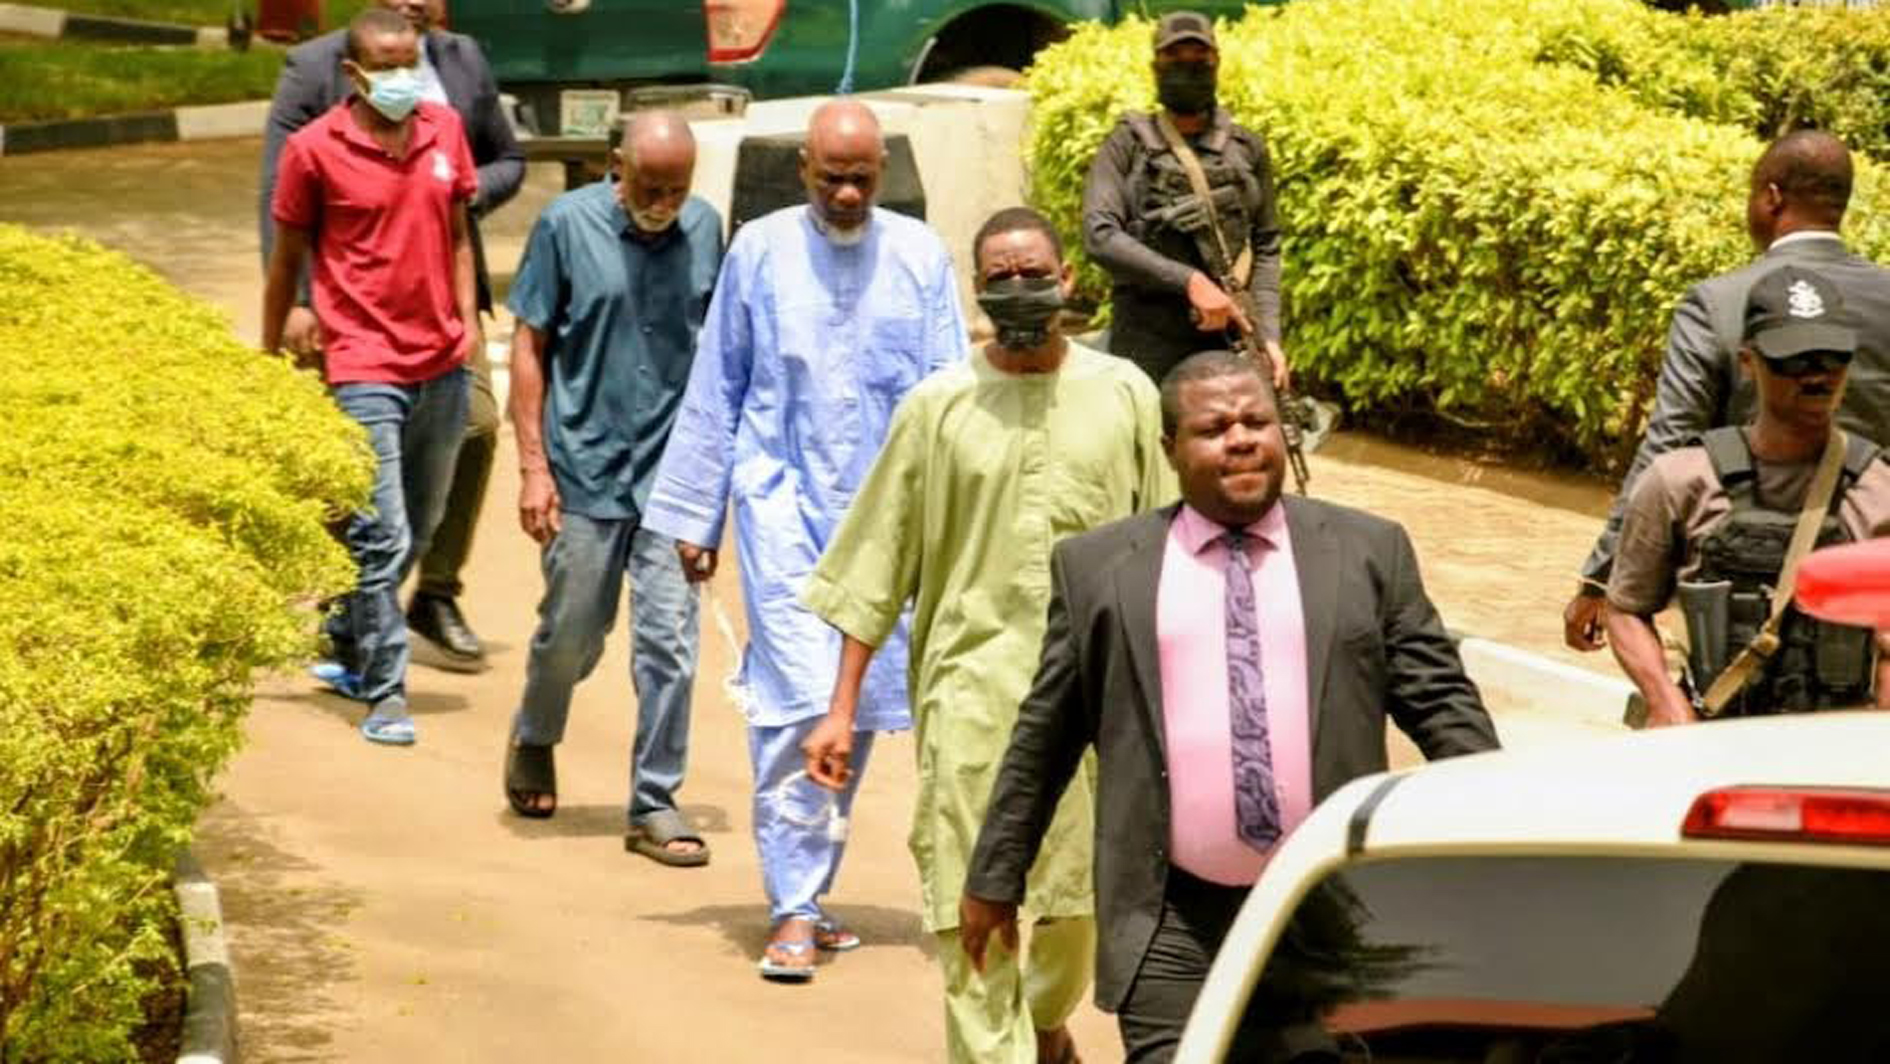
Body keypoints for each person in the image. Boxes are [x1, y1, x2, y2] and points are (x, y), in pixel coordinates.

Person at [960, 351, 1499, 1063]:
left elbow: (1443, 708)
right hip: (1170, 920)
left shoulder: (1368, 553)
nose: (1240, 438)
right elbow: (1046, 734)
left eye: (1257, 421)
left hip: (1330, 915)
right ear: (1170, 450)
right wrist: (995, 877)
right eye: (1214, 428)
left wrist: (1502, 838)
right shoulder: (1104, 571)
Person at [800, 207, 1176, 1063]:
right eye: (999, 277)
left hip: (1094, 706)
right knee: (971, 915)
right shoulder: (937, 408)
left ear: (1068, 278)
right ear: (977, 291)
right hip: (970, 698)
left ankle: (1045, 1025)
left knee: (1077, 908)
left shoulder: (1124, 393)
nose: (1019, 289)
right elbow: (877, 562)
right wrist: (839, 709)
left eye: (1032, 271)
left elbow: (1165, 552)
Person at [640, 99, 967, 980]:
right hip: (779, 508)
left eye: (865, 178)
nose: (851, 194)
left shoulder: (920, 257)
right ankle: (791, 905)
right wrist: (697, 516)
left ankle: (812, 889)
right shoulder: (760, 251)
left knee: (847, 713)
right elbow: (718, 384)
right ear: (803, 173)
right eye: (834, 178)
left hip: (888, 523)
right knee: (795, 705)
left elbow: (950, 398)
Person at [260, 0, 525, 672]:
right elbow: (281, 196)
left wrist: (450, 191)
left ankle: (433, 593)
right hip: (347, 317)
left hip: (443, 306)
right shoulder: (313, 66)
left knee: (476, 429)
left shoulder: (463, 61)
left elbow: (506, 160)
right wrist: (294, 305)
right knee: (359, 468)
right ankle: (351, 614)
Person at [1565, 130, 1890, 652]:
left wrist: (1603, 577)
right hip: (1864, 582)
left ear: (1772, 197)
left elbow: (1669, 440)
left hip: (1733, 584)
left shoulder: (1718, 303)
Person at [499, 112, 723, 866]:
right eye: (649, 186)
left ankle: (654, 800)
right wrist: (533, 465)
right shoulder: (566, 226)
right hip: (584, 468)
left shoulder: (705, 230)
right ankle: (535, 730)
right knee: (574, 635)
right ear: (614, 167)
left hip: (671, 477)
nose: (664, 203)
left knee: (669, 646)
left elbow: (719, 355)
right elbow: (528, 344)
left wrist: (714, 490)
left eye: (678, 188)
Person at [1605, 266, 1890, 725]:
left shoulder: (1878, 491)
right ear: (1746, 362)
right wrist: (1664, 699)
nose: (1816, 377)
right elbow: (1624, 607)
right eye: (1793, 360)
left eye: (1832, 358)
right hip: (1710, 740)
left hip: (1831, 750)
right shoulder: (1680, 481)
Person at [1082, 10, 1285, 389]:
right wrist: (1189, 281)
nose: (1186, 68)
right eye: (1174, 59)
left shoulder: (1246, 148)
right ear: (1155, 67)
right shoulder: (1127, 143)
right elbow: (1099, 234)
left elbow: (1266, 245)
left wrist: (1270, 337)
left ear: (1216, 63)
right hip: (1147, 342)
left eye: (1198, 59)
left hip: (1232, 340)